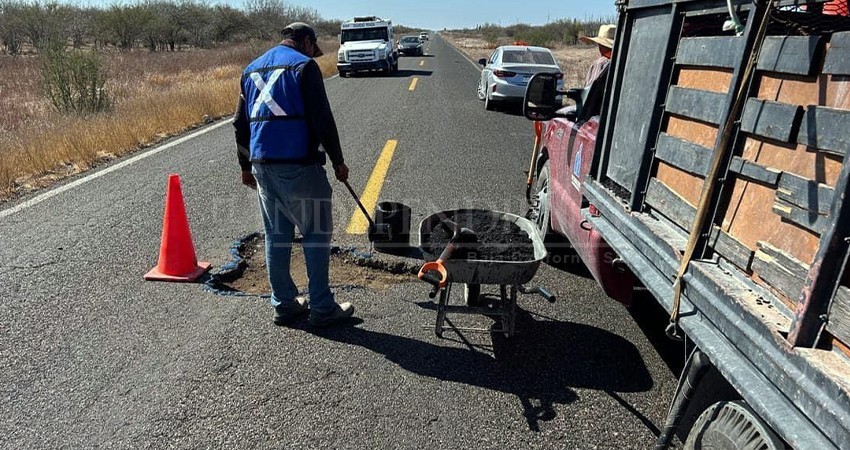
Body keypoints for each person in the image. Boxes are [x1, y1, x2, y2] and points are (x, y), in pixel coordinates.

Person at [233, 22, 354, 327]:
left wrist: (245, 167)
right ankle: (323, 309)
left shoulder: (251, 69)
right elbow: (322, 120)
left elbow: (239, 123)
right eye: (314, 47)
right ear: (306, 41)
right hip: (298, 166)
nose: (314, 52)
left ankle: (285, 304)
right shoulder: (304, 67)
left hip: (262, 167)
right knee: (315, 233)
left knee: (277, 235)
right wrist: (338, 161)